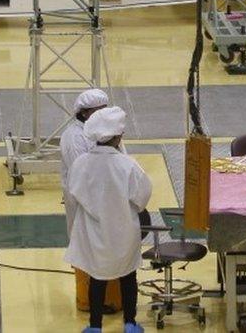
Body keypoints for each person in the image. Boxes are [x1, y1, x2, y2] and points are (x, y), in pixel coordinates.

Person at [66, 106, 151, 333]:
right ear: (117, 136)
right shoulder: (128, 165)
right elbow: (142, 198)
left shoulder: (81, 163)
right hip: (124, 231)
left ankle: (95, 326)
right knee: (128, 275)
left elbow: (72, 195)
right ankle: (130, 323)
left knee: (97, 277)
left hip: (93, 233)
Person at [61, 89, 110, 235]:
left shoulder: (105, 132)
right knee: (86, 242)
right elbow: (82, 173)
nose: (103, 115)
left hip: (105, 199)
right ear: (84, 113)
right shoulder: (74, 137)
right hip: (84, 200)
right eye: (98, 111)